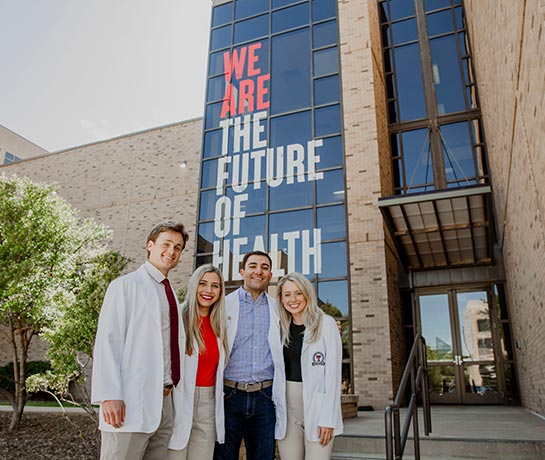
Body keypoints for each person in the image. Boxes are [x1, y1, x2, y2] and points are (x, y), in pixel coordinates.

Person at [91, 221, 189, 460]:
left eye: (178, 247)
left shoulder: (171, 293)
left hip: (164, 403)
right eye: (166, 244)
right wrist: (110, 395)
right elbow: (108, 342)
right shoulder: (125, 286)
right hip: (129, 402)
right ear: (150, 245)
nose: (172, 251)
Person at [214, 250, 287, 460]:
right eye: (253, 266)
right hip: (229, 396)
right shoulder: (223, 305)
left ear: (270, 275)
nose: (259, 271)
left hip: (265, 398)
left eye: (264, 268)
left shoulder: (278, 308)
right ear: (242, 271)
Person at [276, 272, 343, 460]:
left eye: (298, 293)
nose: (293, 299)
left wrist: (328, 418)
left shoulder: (326, 324)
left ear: (307, 294)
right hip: (288, 412)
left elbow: (333, 375)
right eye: (287, 294)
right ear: (281, 299)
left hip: (318, 409)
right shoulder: (279, 328)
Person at [167, 264, 229, 460]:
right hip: (178, 398)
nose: (208, 291)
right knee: (174, 454)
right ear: (194, 285)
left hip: (208, 403)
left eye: (215, 286)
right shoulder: (176, 317)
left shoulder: (221, 325)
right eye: (203, 284)